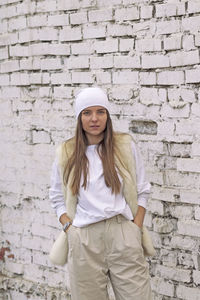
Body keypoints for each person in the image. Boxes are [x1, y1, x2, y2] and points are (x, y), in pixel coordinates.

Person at [49, 87, 154, 300]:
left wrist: (136, 227)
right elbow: (56, 196)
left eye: (100, 111)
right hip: (84, 239)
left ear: (108, 115)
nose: (94, 119)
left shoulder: (124, 146)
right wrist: (69, 227)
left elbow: (143, 189)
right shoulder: (66, 152)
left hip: (122, 234)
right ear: (79, 118)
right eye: (87, 113)